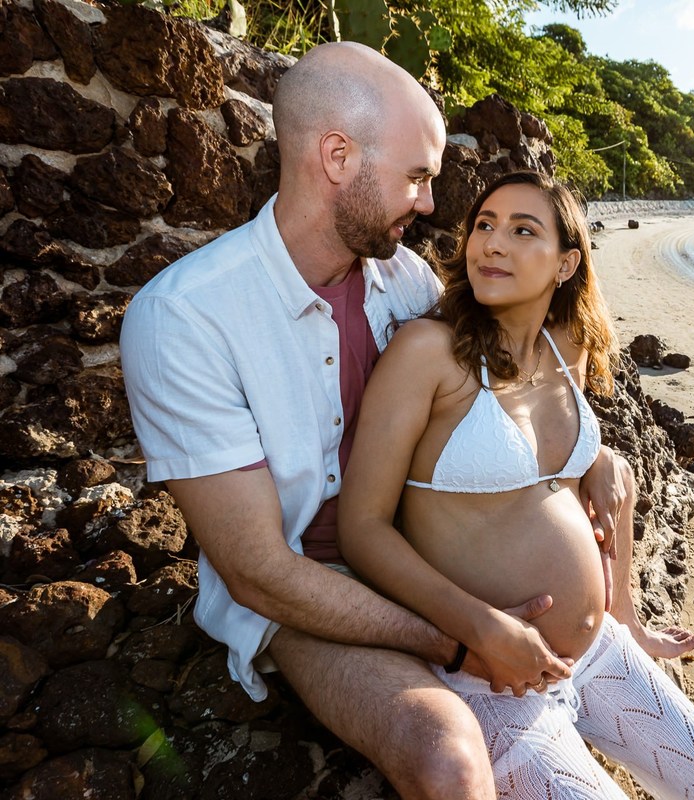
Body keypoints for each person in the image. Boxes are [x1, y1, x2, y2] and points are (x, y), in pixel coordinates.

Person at [120, 42, 651, 798]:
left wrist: (590, 456)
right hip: (308, 591)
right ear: (337, 157)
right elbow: (260, 573)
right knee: (446, 758)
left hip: (423, 561)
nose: (431, 204)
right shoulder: (184, 318)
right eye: (416, 177)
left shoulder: (405, 280)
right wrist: (463, 639)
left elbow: (503, 384)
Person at [337, 171, 694, 799]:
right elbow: (362, 530)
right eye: (484, 225)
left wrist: (626, 614)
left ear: (566, 264)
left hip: (599, 652)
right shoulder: (428, 353)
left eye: (522, 230)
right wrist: (479, 630)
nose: (493, 243)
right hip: (496, 680)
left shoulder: (568, 349)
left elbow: (559, 475)